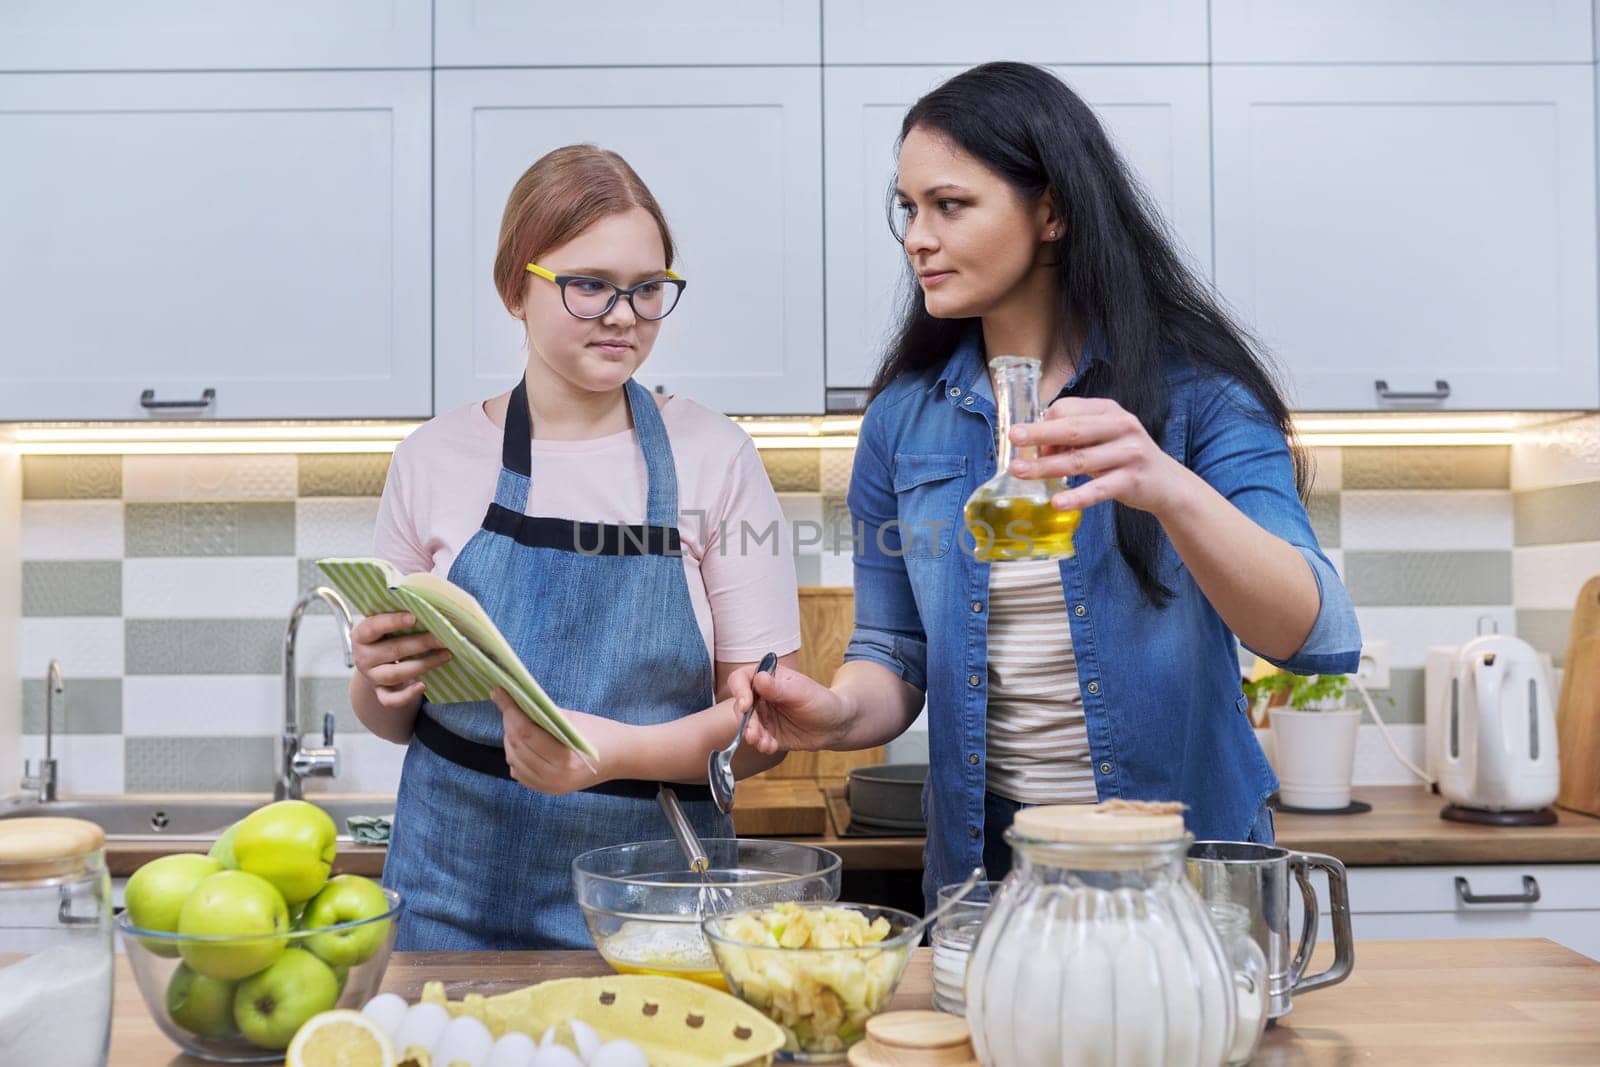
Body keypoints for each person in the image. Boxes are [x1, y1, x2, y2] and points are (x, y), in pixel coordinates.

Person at [730, 63, 1361, 904]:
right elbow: (894, 651)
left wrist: (1167, 487)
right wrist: (836, 714)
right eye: (908, 208)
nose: (918, 235)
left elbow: (1316, 634)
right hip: (992, 866)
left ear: (1053, 210)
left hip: (1185, 861)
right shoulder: (901, 423)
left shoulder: (1198, 397)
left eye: (949, 205)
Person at [348, 144, 801, 949]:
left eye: (648, 289)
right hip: (446, 897)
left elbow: (761, 734)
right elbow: (392, 723)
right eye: (589, 285)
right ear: (512, 288)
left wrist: (604, 753)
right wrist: (377, 677)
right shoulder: (432, 458)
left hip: (653, 906)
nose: (624, 314)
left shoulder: (715, 457)